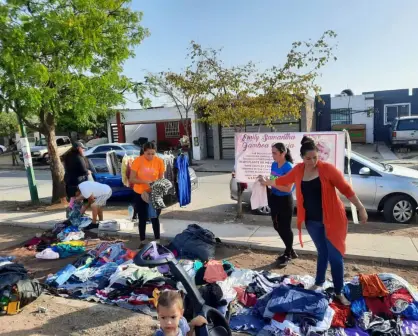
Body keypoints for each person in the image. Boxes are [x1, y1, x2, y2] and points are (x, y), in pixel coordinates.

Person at [260, 136, 368, 305]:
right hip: (312, 221)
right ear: (302, 158)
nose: (312, 161)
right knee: (322, 253)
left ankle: (339, 291)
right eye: (308, 158)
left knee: (335, 256)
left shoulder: (327, 169)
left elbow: (346, 189)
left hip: (333, 220)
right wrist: (267, 182)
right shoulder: (298, 170)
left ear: (319, 156)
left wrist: (360, 208)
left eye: (315, 158)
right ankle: (319, 282)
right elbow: (283, 180)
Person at [129, 142, 165, 247]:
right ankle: (142, 241)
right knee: (142, 217)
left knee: (155, 217)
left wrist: (155, 188)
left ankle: (157, 241)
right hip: (140, 193)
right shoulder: (137, 161)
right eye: (148, 153)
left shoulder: (159, 161)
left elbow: (161, 178)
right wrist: (145, 182)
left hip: (154, 193)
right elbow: (132, 179)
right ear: (144, 152)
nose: (150, 156)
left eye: (153, 154)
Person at [267, 143, 297, 267]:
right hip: (274, 198)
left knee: (285, 227)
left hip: (285, 200)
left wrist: (270, 183)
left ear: (283, 153)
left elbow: (287, 189)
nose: (272, 155)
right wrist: (265, 181)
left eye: (275, 153)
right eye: (272, 152)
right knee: (276, 225)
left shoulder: (289, 167)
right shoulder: (274, 164)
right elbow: (273, 180)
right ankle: (290, 249)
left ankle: (288, 253)